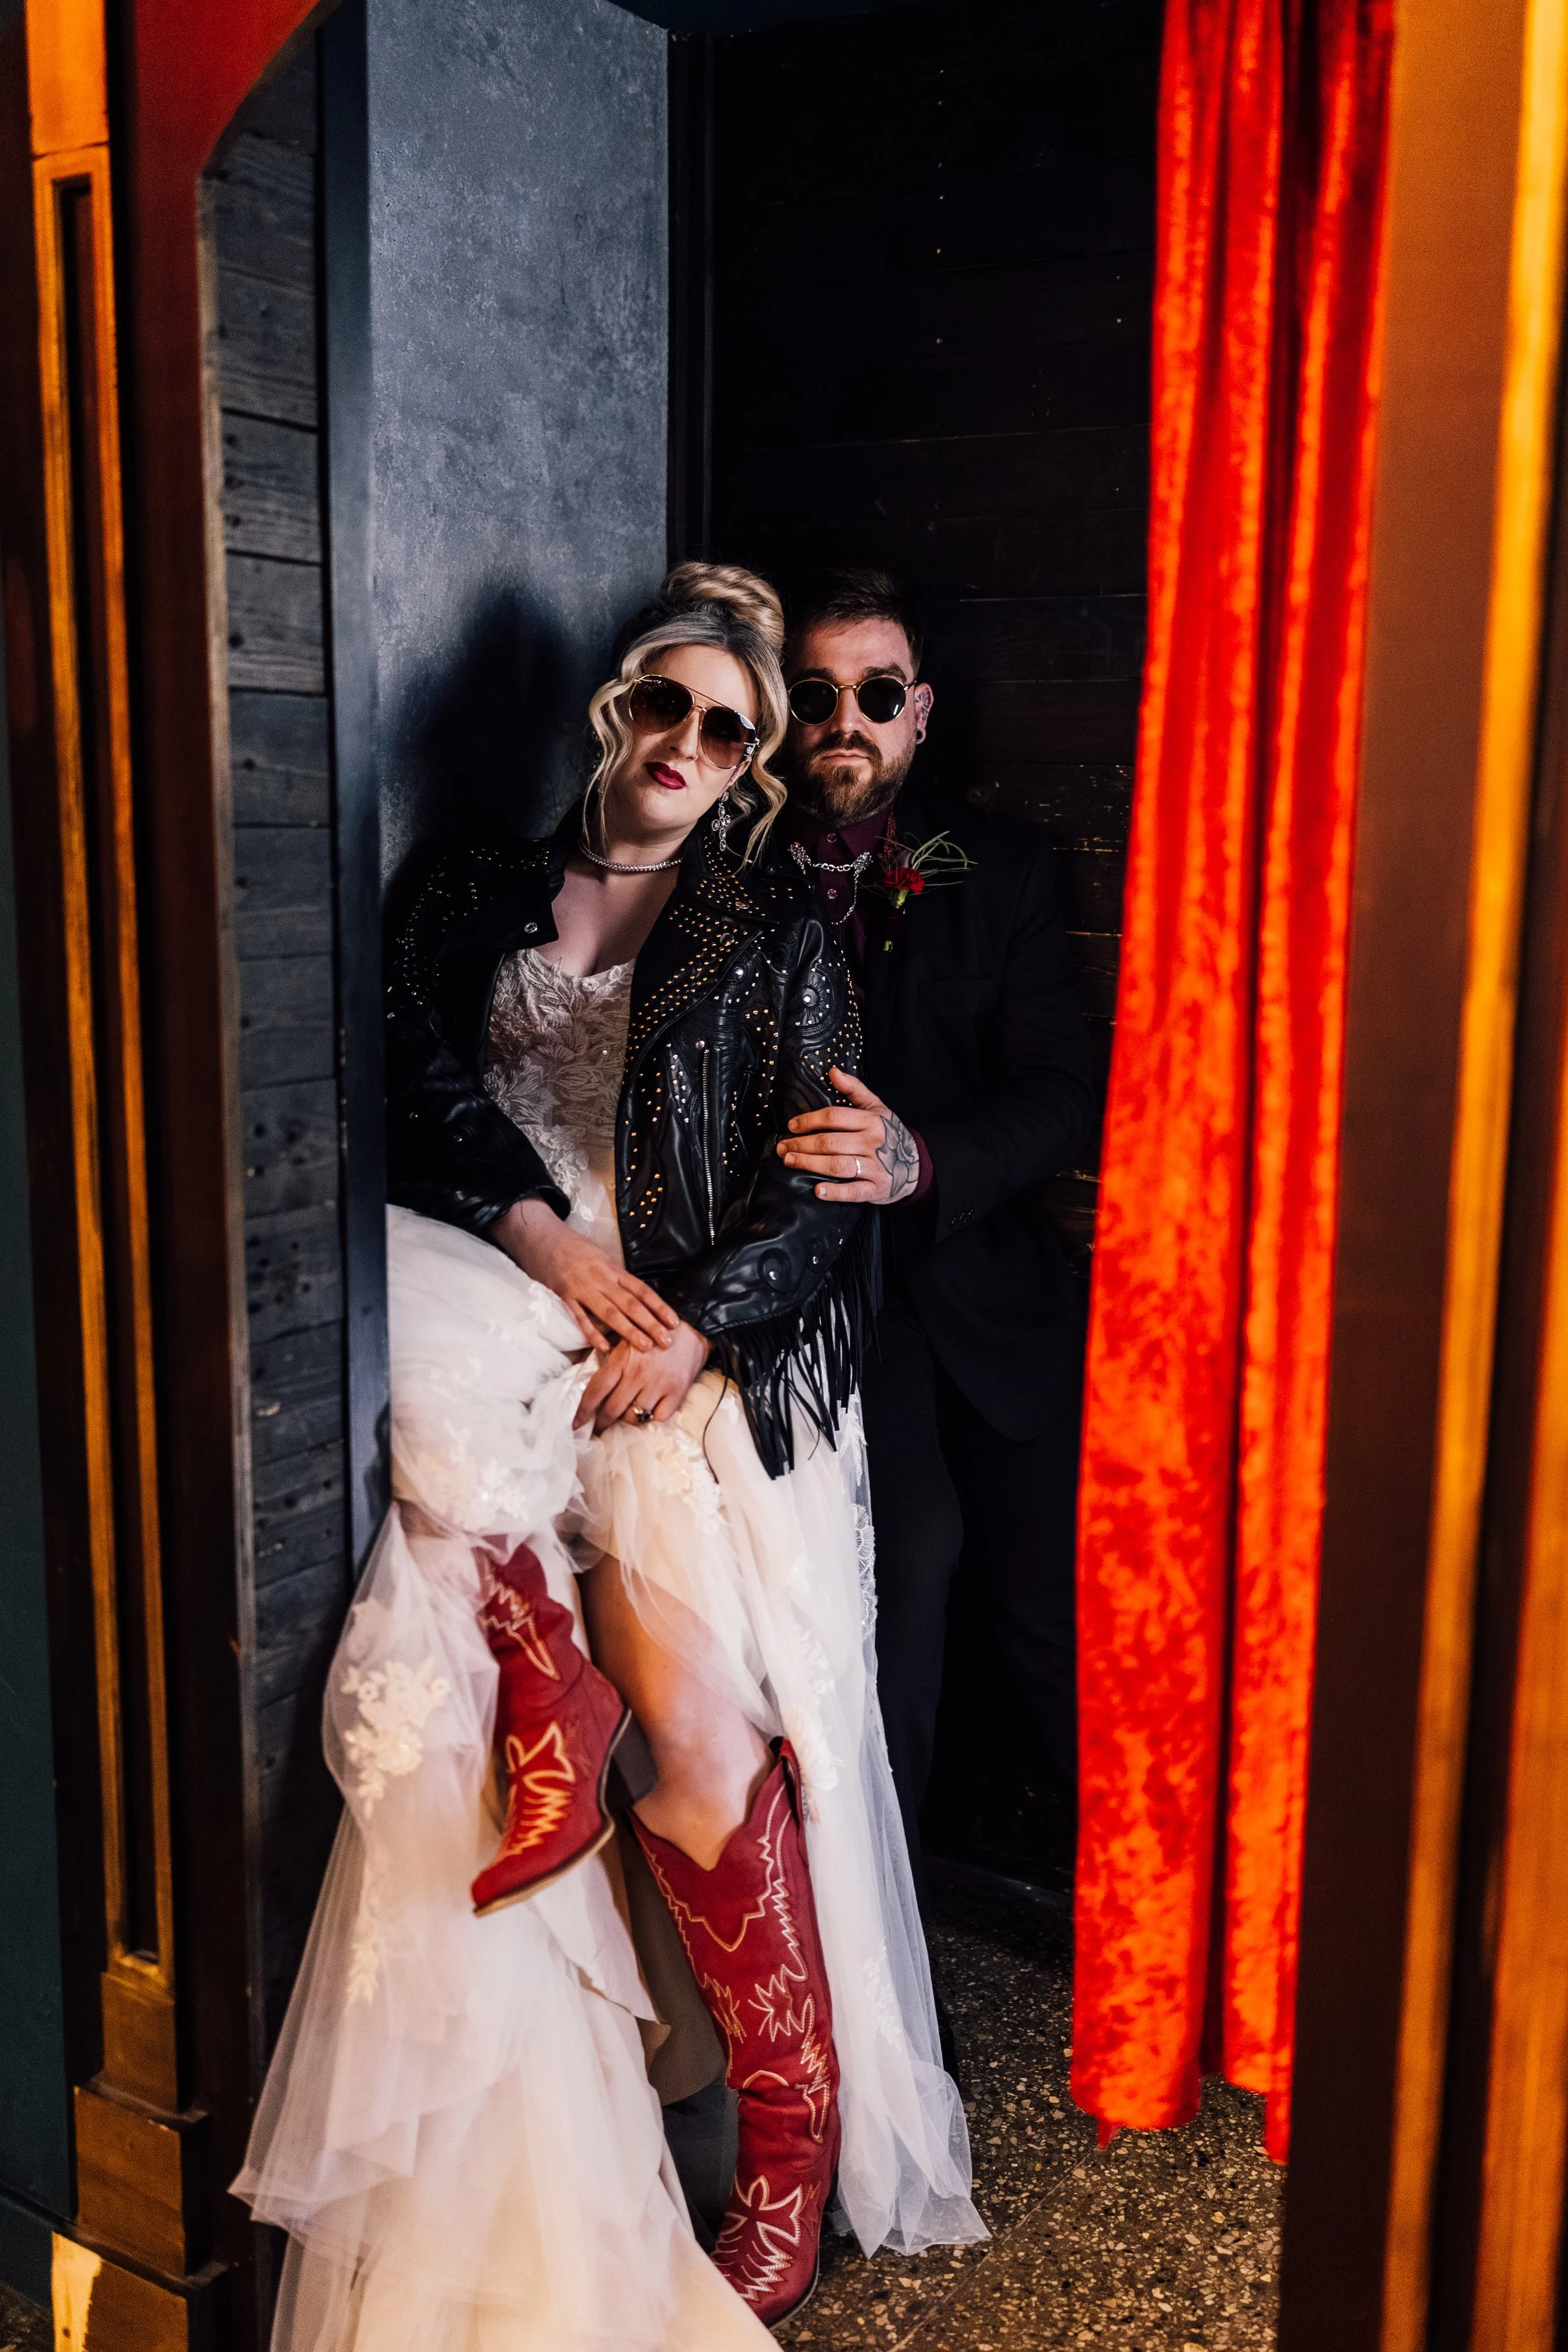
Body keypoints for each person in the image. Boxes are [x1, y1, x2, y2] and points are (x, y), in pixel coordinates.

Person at [233, 563, 982, 2350]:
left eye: (728, 727)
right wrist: (543, 1248)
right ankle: (529, 1659)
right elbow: (404, 1076)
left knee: (700, 1734)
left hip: (675, 1348)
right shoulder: (473, 884)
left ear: (749, 765)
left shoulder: (771, 937)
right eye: (664, 702)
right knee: (414, 1343)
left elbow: (816, 1186)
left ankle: (786, 2154)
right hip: (506, 1277)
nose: (685, 742)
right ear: (613, 705)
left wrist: (700, 1324)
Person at [773, 569, 1096, 1920]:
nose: (844, 719)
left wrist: (927, 1162)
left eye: (874, 694)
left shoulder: (998, 875)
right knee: (894, 1617)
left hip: (989, 1307)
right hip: (825, 1328)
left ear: (919, 718)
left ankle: (1136, 1938)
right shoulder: (728, 883)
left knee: (1048, 1625)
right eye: (813, 696)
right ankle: (891, 1969)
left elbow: (1061, 1091)